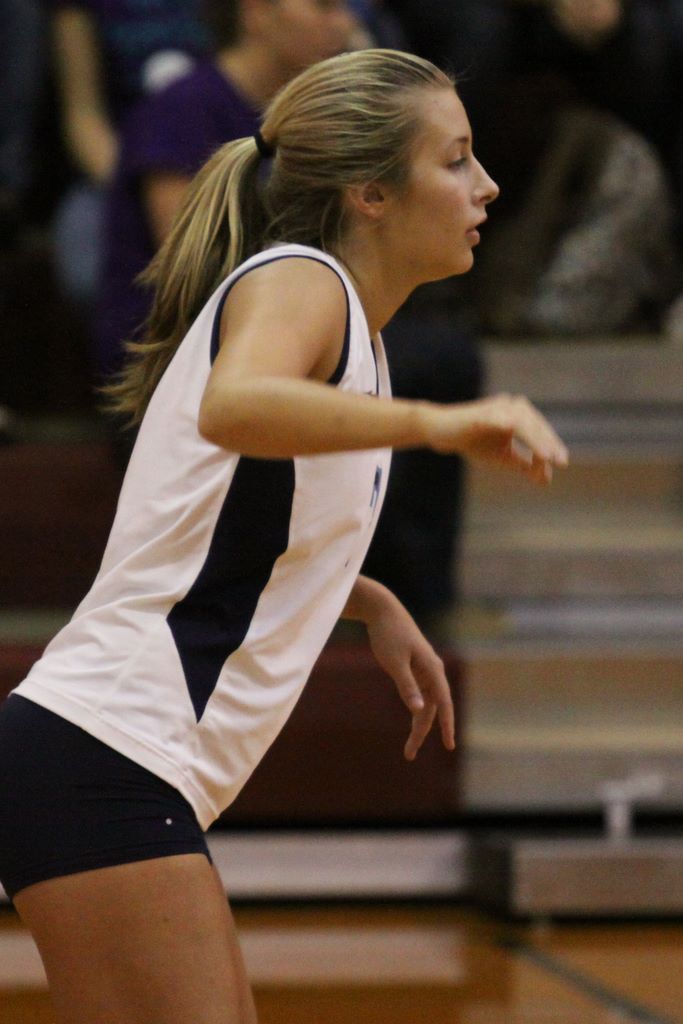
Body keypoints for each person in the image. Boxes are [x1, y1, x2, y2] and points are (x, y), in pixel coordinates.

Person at [0, 49, 568, 1024]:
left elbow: (227, 521)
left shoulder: (351, 331)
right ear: (369, 194)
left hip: (108, 760)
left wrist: (367, 597)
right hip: (109, 749)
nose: (486, 185)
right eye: (454, 160)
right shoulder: (303, 282)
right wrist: (439, 425)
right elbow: (235, 406)